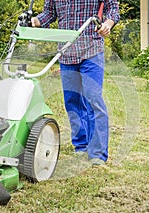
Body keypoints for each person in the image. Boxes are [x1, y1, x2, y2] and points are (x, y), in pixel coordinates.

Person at [31, 0, 120, 166]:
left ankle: (98, 154)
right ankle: (81, 146)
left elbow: (112, 7)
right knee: (72, 101)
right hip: (66, 52)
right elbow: (49, 14)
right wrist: (34, 21)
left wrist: (108, 23)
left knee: (93, 99)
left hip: (91, 49)